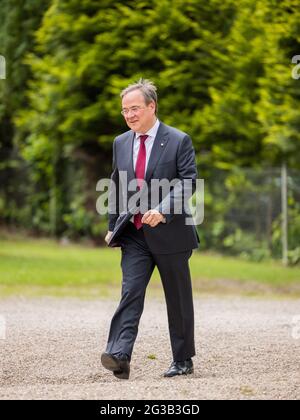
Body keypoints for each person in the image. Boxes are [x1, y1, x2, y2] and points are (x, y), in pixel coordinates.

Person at [101, 78, 199, 379]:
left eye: (134, 109)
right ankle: (119, 355)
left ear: (151, 107)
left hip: (171, 233)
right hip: (135, 234)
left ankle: (182, 360)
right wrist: (112, 225)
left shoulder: (178, 140)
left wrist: (163, 209)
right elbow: (116, 184)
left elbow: (188, 181)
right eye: (124, 111)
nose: (129, 115)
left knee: (177, 297)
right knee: (130, 291)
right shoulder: (120, 142)